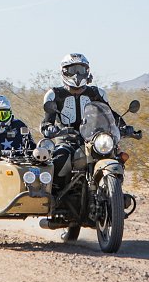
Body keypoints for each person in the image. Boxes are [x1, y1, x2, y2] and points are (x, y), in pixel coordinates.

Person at [40, 53, 137, 190]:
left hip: (93, 139)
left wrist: (124, 127)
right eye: (73, 70)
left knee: (116, 157)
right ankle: (56, 196)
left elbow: (110, 114)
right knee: (60, 158)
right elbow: (47, 122)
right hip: (67, 140)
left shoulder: (96, 93)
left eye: (81, 70)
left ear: (87, 71)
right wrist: (50, 129)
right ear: (64, 71)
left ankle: (114, 192)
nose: (77, 74)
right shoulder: (55, 94)